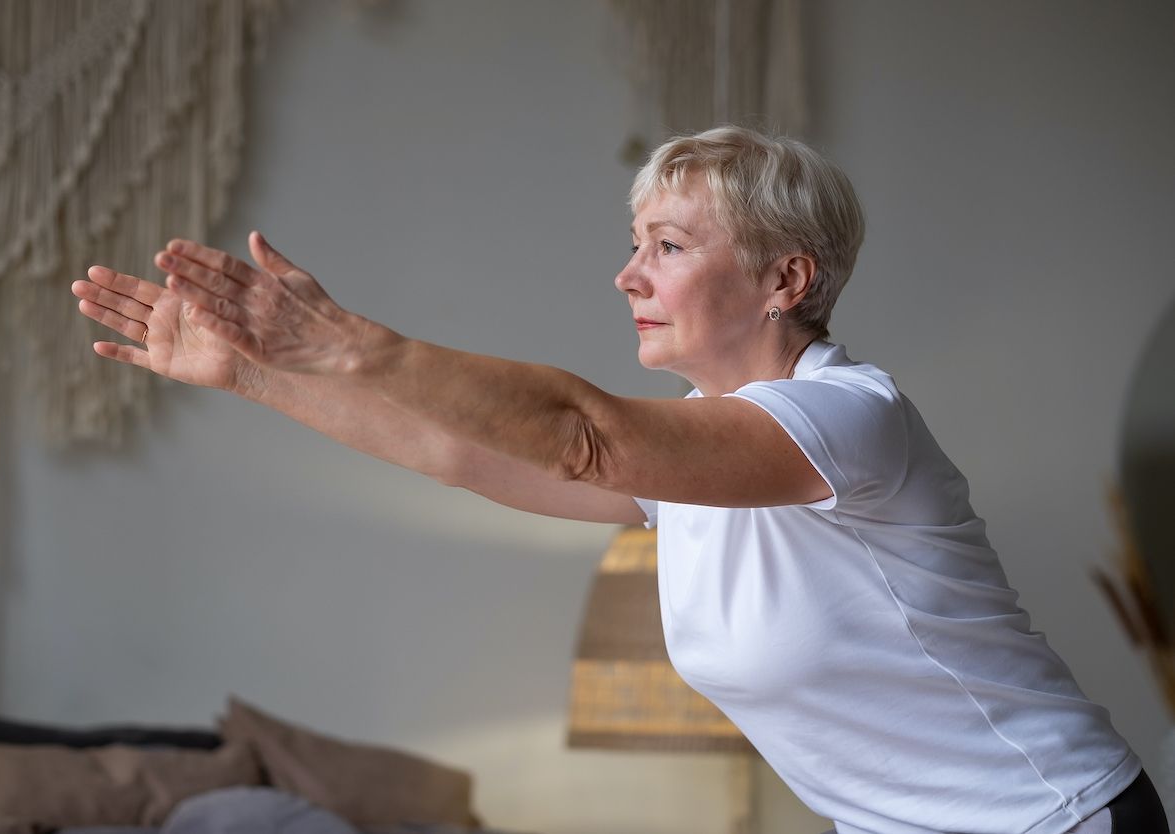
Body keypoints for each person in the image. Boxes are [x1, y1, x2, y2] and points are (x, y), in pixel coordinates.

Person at [71, 127, 1166, 834]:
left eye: (669, 246)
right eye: (634, 240)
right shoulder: (695, 452)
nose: (627, 274)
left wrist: (355, 345)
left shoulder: (847, 420)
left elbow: (574, 434)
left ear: (785, 278)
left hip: (1050, 819)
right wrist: (254, 376)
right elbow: (465, 454)